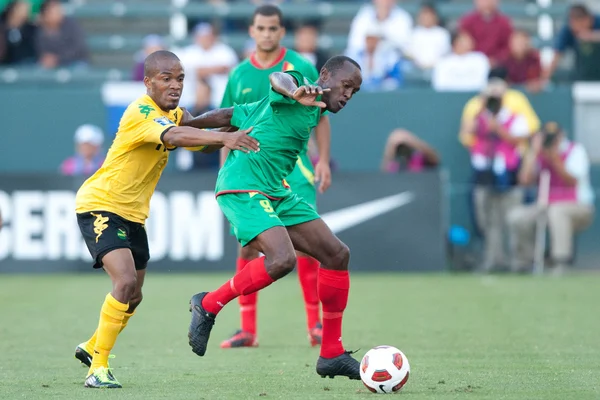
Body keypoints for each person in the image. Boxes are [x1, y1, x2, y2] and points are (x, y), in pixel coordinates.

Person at [73, 50, 258, 389]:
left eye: (180, 78)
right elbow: (175, 136)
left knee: (134, 295)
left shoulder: (175, 113)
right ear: (148, 82)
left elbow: (195, 140)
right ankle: (97, 368)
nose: (175, 86)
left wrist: (230, 125)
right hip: (101, 204)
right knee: (125, 283)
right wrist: (224, 138)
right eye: (166, 78)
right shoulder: (141, 111)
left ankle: (91, 345)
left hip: (132, 215)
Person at [188, 55, 363, 381]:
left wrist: (193, 124)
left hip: (275, 190)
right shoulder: (298, 86)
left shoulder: (314, 110)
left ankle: (331, 353)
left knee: (337, 254)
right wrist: (295, 89)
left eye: (355, 91)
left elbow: (233, 114)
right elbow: (277, 80)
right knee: (282, 259)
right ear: (325, 75)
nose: (349, 94)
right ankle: (209, 304)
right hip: (242, 185)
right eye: (347, 85)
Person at [218, 4, 333, 350]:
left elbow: (321, 116)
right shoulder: (238, 74)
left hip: (294, 169)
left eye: (273, 29)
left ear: (282, 33)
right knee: (249, 246)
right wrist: (225, 168)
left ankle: (315, 325)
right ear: (252, 31)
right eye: (261, 28)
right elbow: (229, 124)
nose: (267, 34)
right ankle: (246, 329)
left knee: (311, 249)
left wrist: (323, 159)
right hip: (249, 169)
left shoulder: (300, 66)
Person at [459, 78, 530, 272]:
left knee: (512, 218)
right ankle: (493, 260)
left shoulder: (514, 116)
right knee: (487, 221)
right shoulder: (478, 116)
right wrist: (482, 107)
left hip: (508, 174)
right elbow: (466, 134)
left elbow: (519, 138)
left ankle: (517, 261)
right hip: (483, 174)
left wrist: (497, 126)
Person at [507, 122, 594, 274]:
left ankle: (560, 261)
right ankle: (525, 262)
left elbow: (571, 180)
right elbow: (525, 180)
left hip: (576, 205)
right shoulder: (539, 154)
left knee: (557, 212)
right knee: (517, 216)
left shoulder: (575, 150)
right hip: (545, 204)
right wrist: (534, 152)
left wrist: (554, 157)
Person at [543, 4, 600, 82]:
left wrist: (592, 36)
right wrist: (544, 79)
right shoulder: (567, 30)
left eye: (581, 24)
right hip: (582, 73)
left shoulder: (598, 21)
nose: (578, 29)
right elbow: (557, 55)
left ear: (588, 19)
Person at [0, 0, 37, 65]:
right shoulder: (2, 26)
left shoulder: (31, 29)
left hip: (25, 64)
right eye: (22, 9)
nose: (25, 12)